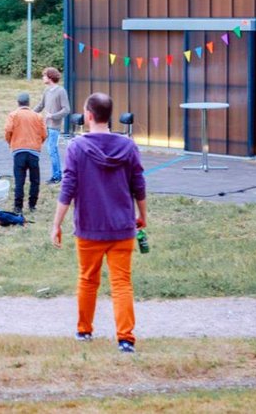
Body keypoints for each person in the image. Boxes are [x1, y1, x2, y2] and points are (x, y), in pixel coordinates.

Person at [50, 92, 147, 353]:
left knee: (87, 279)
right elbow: (139, 184)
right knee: (122, 283)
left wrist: (56, 224)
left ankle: (84, 331)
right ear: (109, 115)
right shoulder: (128, 146)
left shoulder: (77, 147)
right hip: (122, 227)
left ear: (89, 116)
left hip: (89, 228)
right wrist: (142, 216)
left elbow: (68, 188)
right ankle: (125, 339)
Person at [5, 92, 47, 214]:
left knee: (19, 180)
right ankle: (32, 205)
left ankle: (18, 206)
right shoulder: (37, 116)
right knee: (35, 180)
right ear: (29, 103)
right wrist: (38, 143)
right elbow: (44, 134)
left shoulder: (13, 115)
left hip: (18, 150)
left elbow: (8, 131)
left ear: (18, 103)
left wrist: (11, 142)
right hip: (34, 151)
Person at [34, 66, 70, 184]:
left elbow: (66, 109)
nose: (43, 78)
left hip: (54, 127)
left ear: (50, 77)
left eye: (44, 76)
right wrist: (29, 113)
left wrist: (53, 116)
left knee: (52, 150)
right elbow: (41, 105)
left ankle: (57, 176)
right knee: (49, 150)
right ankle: (56, 175)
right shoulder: (46, 91)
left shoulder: (61, 91)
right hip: (45, 126)